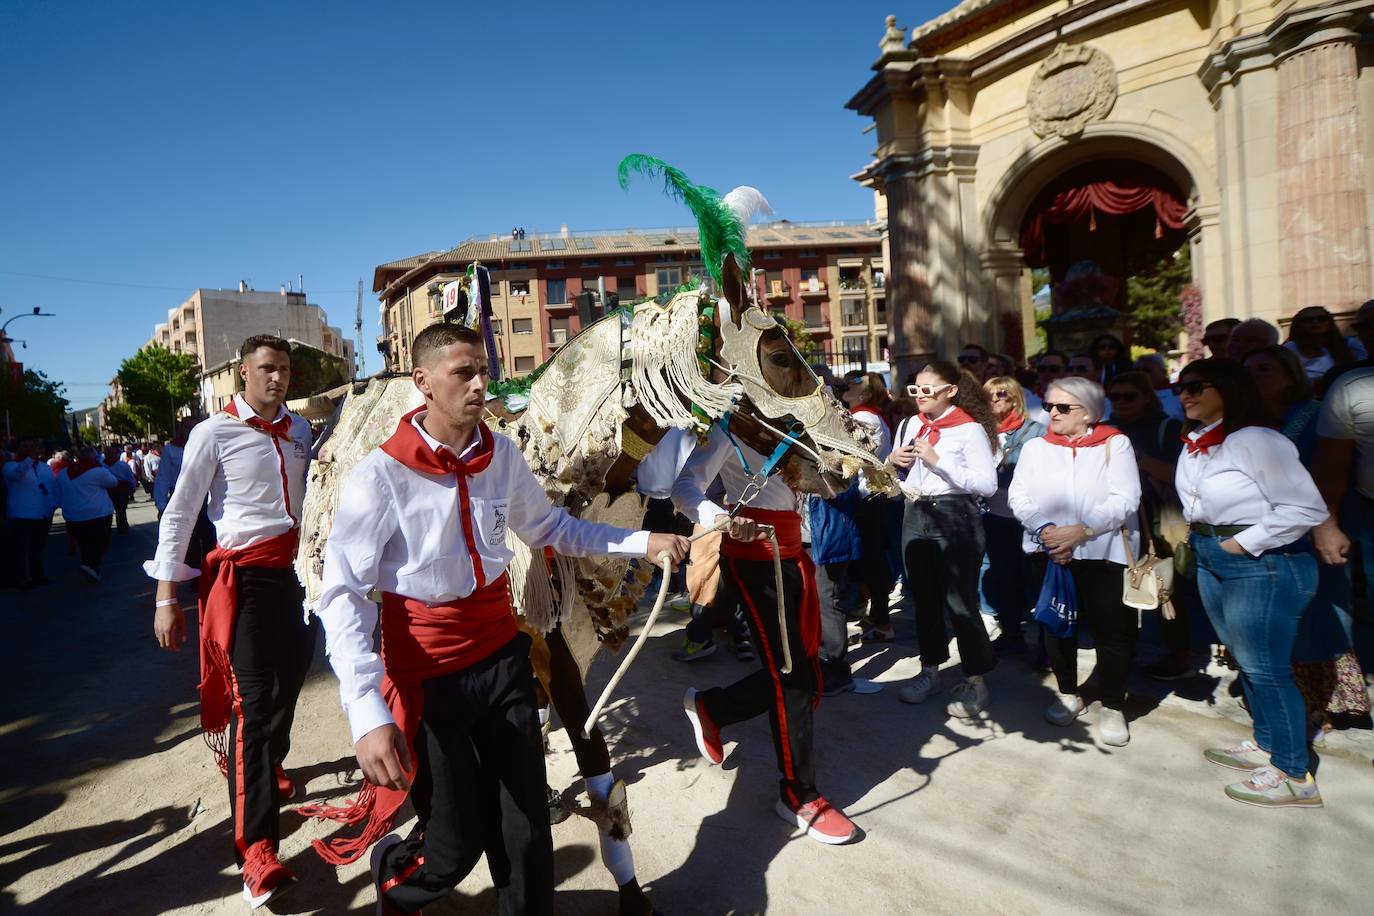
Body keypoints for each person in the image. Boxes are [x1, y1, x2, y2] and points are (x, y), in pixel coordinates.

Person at [315, 324, 687, 914]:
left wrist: (644, 542)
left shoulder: (501, 455)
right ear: (424, 383)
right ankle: (392, 872)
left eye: (483, 371)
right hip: (430, 677)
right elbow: (343, 596)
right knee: (453, 848)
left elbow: (550, 529)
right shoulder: (380, 476)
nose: (479, 384)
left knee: (526, 834)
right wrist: (366, 711)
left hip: (501, 656)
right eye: (463, 373)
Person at [146, 335, 318, 908]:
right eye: (267, 368)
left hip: (299, 578)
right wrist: (166, 596)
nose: (278, 378)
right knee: (254, 706)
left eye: (284, 369)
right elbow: (179, 513)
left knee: (290, 686)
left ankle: (267, 762)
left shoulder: (300, 431)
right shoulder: (213, 432)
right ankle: (257, 851)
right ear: (244, 372)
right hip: (245, 582)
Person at [672, 405, 859, 846]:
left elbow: (833, 483)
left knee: (801, 670)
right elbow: (683, 487)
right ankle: (799, 795)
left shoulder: (799, 422)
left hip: (795, 551)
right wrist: (720, 518)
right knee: (792, 677)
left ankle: (714, 708)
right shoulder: (730, 426)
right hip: (755, 558)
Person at [1175, 358, 1329, 808]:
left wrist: (1243, 544)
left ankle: (1294, 774)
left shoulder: (1256, 439)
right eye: (1182, 387)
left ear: (1229, 388)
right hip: (1212, 554)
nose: (1186, 395)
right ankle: (1267, 744)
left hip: (1261, 561)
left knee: (1266, 667)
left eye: (1198, 386)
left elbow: (1306, 508)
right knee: (1246, 661)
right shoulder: (1197, 442)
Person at [1009, 377, 1142, 745]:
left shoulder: (1115, 443)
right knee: (1056, 628)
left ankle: (1113, 705)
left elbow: (1126, 498)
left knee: (1111, 633)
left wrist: (1081, 531)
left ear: (1089, 412)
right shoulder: (1036, 448)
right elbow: (1019, 496)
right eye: (1049, 405)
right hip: (1049, 551)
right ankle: (1068, 693)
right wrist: (1047, 530)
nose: (1052, 412)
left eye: (1063, 407)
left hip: (1104, 554)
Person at [1244, 346, 1369, 738]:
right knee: (1273, 621)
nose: (1255, 376)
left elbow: (1333, 473)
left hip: (1313, 532)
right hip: (1261, 535)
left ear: (1290, 374)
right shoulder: (1244, 422)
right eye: (1249, 371)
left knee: (1319, 615)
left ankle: (1322, 702)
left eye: (1264, 368)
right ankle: (1284, 701)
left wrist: (1327, 525)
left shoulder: (1315, 414)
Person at [887, 361, 999, 716]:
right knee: (924, 600)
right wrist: (892, 460)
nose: (920, 396)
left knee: (960, 602)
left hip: (955, 514)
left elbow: (987, 485)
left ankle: (976, 679)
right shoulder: (911, 424)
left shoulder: (969, 429)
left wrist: (939, 461)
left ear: (950, 391)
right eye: (915, 390)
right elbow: (896, 474)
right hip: (915, 510)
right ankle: (930, 670)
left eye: (927, 390)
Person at [1104, 372, 1201, 680]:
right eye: (1115, 396)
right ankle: (1125, 647)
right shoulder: (1106, 429)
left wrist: (1139, 459)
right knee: (1121, 584)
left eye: (1129, 396)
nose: (1121, 402)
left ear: (1147, 396)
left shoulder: (1168, 428)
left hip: (1160, 519)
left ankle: (1180, 656)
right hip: (1119, 521)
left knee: (1165, 587)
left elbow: (1180, 475)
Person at [980, 377, 1045, 651]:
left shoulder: (1036, 431)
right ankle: (1011, 634)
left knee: (1036, 581)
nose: (994, 399)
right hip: (995, 516)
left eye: (1001, 394)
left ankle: (1045, 643)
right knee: (1004, 578)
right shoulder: (980, 433)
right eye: (989, 395)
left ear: (1016, 397)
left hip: (1029, 518)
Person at [809, 482, 882, 696]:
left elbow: (845, 492)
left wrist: (816, 484)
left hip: (827, 536)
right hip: (804, 534)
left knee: (827, 602)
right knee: (813, 602)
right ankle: (819, 666)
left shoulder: (838, 461)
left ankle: (838, 673)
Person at [843, 372, 900, 638]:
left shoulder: (864, 417)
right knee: (870, 560)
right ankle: (876, 614)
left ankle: (882, 622)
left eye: (856, 384)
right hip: (872, 495)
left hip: (868, 497)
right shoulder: (869, 415)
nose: (849, 384)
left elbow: (847, 455)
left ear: (865, 394)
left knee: (872, 561)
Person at [53, 446, 118, 583]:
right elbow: (113, 482)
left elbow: (58, 491)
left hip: (73, 515)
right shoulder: (98, 471)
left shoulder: (64, 472)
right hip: (96, 514)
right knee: (100, 542)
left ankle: (90, 567)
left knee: (84, 543)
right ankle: (90, 566)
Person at [3, 438, 56, 590]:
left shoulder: (44, 467)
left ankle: (38, 575)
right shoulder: (10, 466)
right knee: (21, 550)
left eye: (32, 446)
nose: (29, 448)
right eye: (25, 446)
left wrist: (52, 505)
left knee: (38, 548)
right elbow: (17, 474)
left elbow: (50, 486)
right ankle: (21, 579)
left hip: (42, 513)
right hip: (21, 514)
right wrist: (29, 460)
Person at [1284, 305, 1363, 385]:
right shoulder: (1290, 347)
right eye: (1308, 320)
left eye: (1322, 318)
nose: (1315, 322)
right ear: (1299, 324)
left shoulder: (1350, 344)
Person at [1133, 353, 1184, 420]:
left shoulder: (1179, 395)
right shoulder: (1126, 396)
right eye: (1137, 370)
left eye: (1147, 370)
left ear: (1163, 372)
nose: (1141, 374)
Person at [103, 444, 136, 534]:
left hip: (111, 490)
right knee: (121, 510)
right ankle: (122, 527)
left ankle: (111, 528)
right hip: (119, 490)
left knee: (110, 510)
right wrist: (132, 486)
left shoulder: (101, 466)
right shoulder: (122, 465)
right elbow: (130, 477)